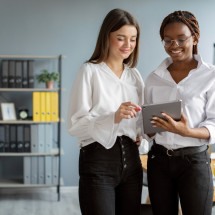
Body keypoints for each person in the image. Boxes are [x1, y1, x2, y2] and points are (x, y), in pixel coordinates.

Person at [67, 8, 145, 215]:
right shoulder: (90, 71)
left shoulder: (135, 76)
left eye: (133, 39)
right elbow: (76, 126)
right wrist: (113, 117)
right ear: (106, 37)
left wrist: (140, 135)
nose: (128, 45)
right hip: (98, 163)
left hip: (132, 163)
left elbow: (140, 122)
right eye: (120, 38)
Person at [144, 10, 215, 215]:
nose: (174, 46)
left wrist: (186, 131)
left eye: (181, 39)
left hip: (194, 162)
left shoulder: (210, 76)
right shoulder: (153, 78)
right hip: (158, 161)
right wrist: (145, 129)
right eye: (167, 40)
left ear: (195, 38)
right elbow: (146, 126)